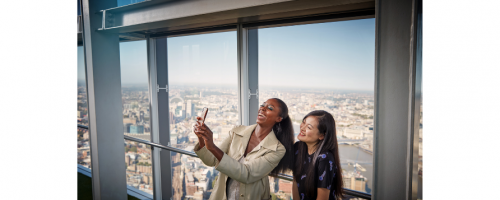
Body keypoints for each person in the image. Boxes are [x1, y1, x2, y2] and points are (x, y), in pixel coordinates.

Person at [193, 98, 294, 200]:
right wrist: (202, 138)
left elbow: (247, 175)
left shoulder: (277, 149)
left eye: (270, 108)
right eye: (262, 105)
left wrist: (213, 147)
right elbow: (212, 160)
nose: (262, 109)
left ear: (278, 118)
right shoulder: (237, 131)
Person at [293, 110, 344, 200]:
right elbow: (295, 181)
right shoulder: (298, 148)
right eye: (303, 122)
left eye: (309, 127)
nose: (302, 128)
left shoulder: (325, 159)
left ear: (321, 135)